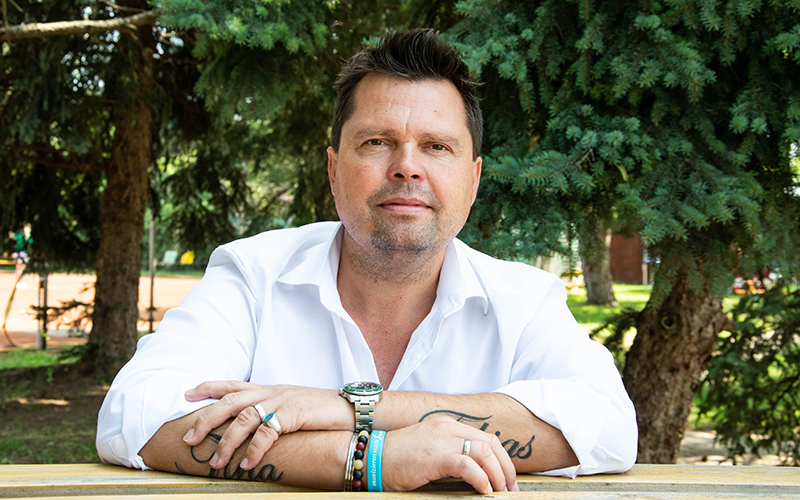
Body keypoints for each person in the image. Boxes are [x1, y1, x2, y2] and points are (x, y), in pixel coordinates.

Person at [96, 29, 637, 493]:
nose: (407, 167)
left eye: (437, 146)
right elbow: (135, 414)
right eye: (377, 142)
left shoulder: (524, 300)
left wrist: (350, 408)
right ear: (333, 170)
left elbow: (610, 427)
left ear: (473, 180)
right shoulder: (253, 274)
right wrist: (372, 458)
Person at [8, 222, 32, 290]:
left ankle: (21, 281)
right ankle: (19, 281)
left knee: (23, 268)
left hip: (25, 253)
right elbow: (15, 236)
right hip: (19, 253)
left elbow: (30, 242)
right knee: (18, 267)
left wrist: (27, 237)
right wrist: (12, 235)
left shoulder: (28, 236)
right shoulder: (20, 235)